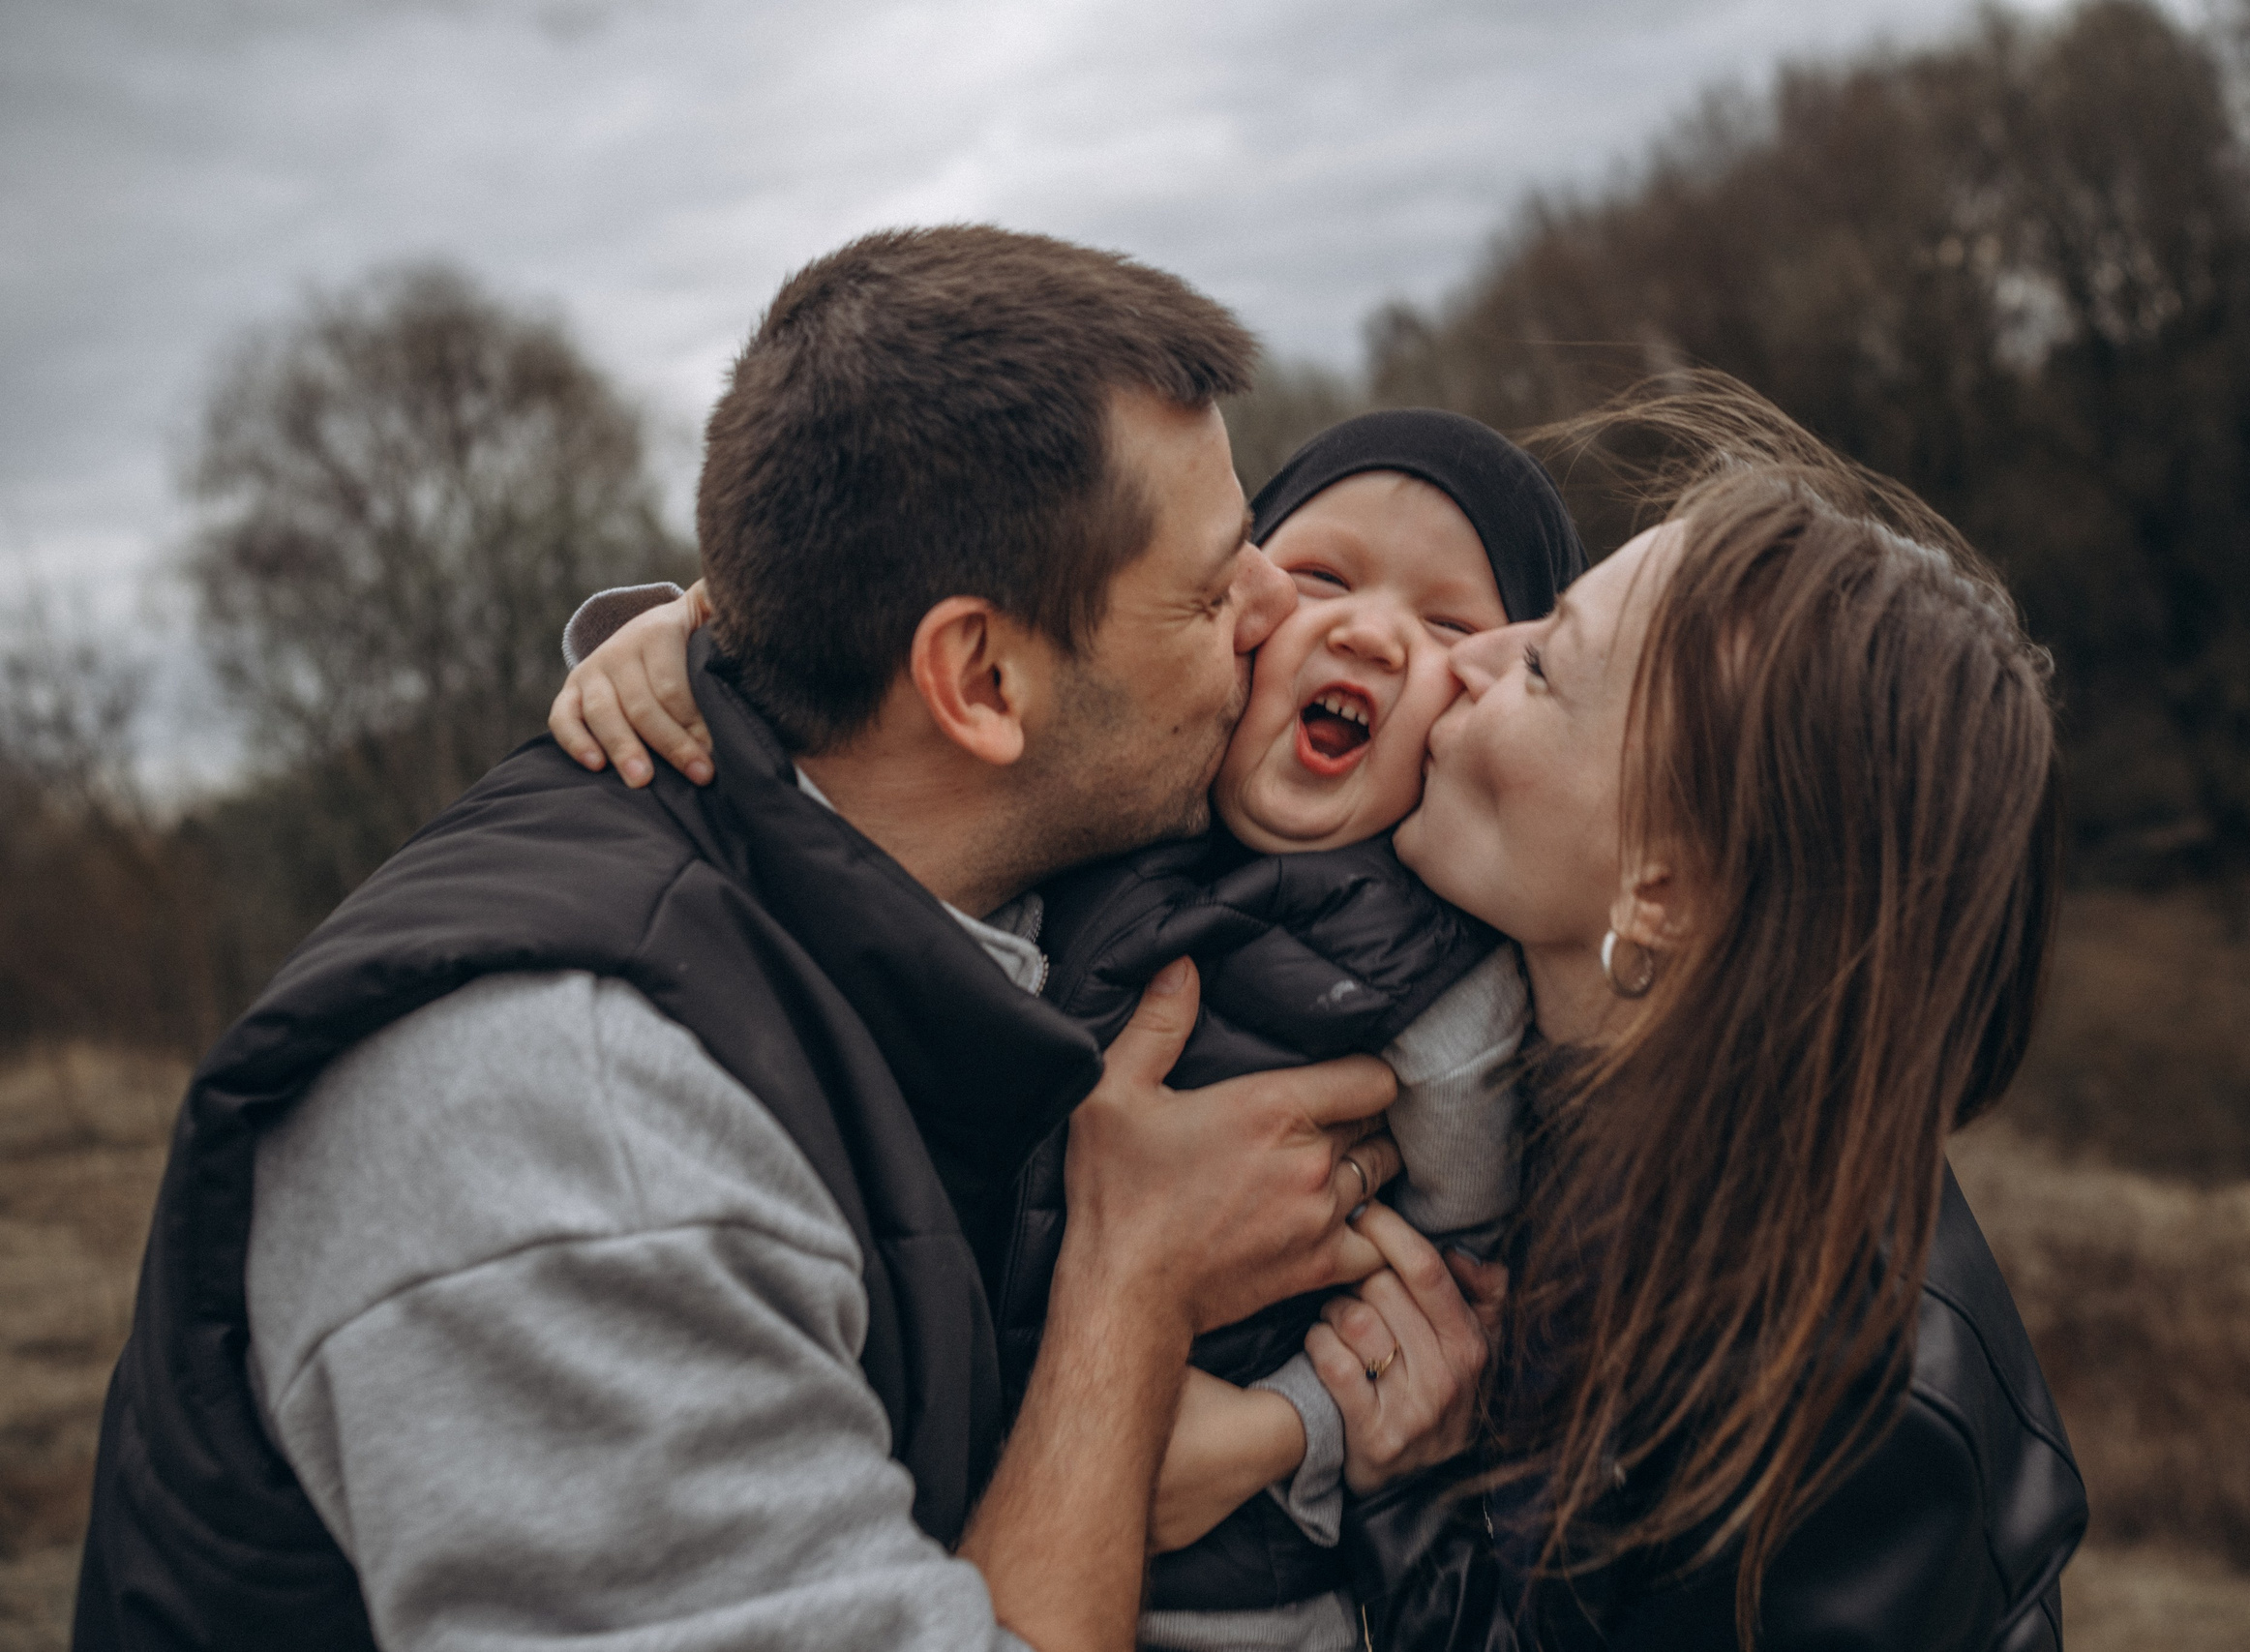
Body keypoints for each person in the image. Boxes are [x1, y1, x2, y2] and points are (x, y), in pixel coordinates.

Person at [70, 225, 1438, 1652]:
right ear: (978, 680)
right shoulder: (569, 1134)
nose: (1284, 610)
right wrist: (1131, 1275)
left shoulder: (960, 852)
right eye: (1215, 592)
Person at [552, 407, 1589, 1652]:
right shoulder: (1109, 797)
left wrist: (1274, 1432)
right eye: (1316, 577)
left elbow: (1455, 1297)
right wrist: (680, 628)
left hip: (1254, 1584)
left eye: (1446, 628)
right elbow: (887, 701)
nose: (1366, 630)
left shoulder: (1453, 978)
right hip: (946, 1468)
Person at [1312, 378, 2087, 1649]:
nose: (1468, 655)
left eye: (1546, 663)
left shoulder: (1842, 1416)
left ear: (1659, 887)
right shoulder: (1596, 1120)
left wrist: (1413, 1503)